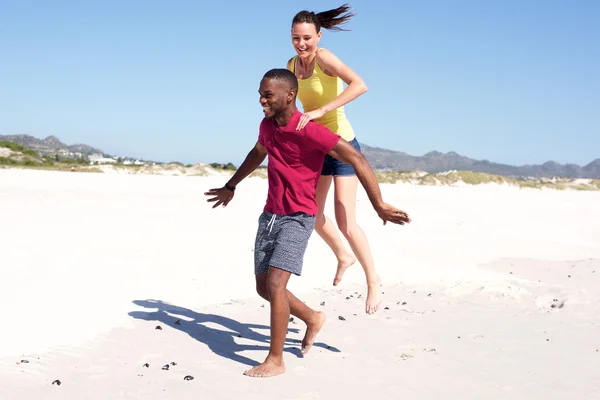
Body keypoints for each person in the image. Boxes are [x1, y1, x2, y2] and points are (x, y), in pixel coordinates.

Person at [204, 69, 411, 378]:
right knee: (264, 287)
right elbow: (257, 152)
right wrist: (231, 185)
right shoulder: (267, 126)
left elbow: (356, 158)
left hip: (299, 216)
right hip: (270, 214)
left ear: (290, 96)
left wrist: (378, 203)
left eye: (267, 95)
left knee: (276, 285)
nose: (261, 100)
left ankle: (276, 360)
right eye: (260, 94)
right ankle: (312, 318)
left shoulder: (308, 130)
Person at [286, 4, 384, 314]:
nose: (302, 45)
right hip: (316, 146)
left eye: (307, 38)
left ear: (318, 35)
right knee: (312, 214)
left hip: (341, 144)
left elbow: (360, 85)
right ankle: (343, 256)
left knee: (347, 223)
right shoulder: (290, 66)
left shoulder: (324, 58)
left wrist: (320, 111)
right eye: (295, 38)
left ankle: (373, 281)